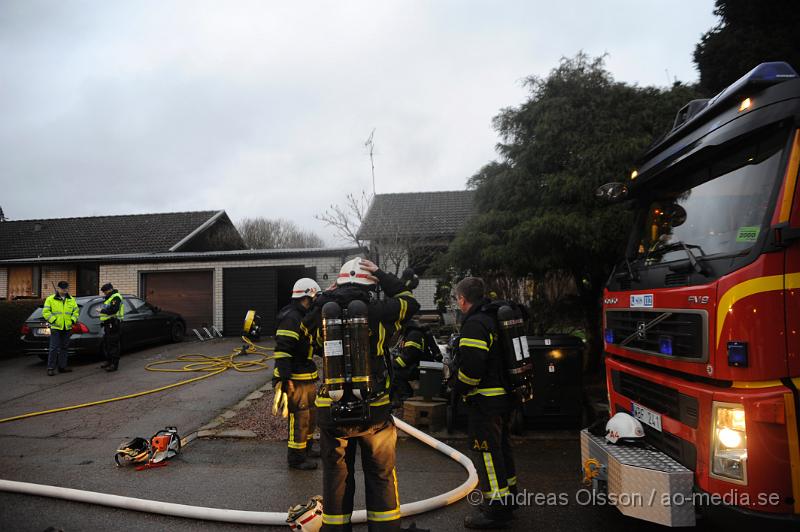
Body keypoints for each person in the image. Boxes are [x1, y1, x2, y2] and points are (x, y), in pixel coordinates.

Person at [307, 257, 419, 531]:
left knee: (336, 476)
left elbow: (303, 327)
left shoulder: (320, 312)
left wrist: (328, 294)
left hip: (331, 408)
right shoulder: (380, 310)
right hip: (374, 408)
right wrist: (382, 274)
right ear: (371, 285)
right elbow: (409, 301)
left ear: (340, 283)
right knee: (380, 474)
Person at [453, 277, 517, 529]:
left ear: (462, 299)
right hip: (503, 398)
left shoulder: (475, 324)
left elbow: (471, 370)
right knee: (502, 449)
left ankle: (496, 510)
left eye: (456, 298)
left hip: (485, 401)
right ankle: (509, 498)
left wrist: (456, 388)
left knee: (487, 455)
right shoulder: (492, 318)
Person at [272, 277, 322, 470]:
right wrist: (285, 379)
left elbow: (308, 344)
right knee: (299, 417)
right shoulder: (291, 317)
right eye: (315, 297)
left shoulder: (302, 316)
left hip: (305, 374)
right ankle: (296, 458)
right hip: (294, 377)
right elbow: (283, 350)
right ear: (307, 296)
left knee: (310, 415)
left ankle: (306, 449)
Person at [392, 321, 439, 401]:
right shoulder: (410, 334)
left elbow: (408, 358)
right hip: (420, 365)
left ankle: (406, 397)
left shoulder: (413, 335)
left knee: (394, 374)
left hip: (422, 368)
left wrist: (392, 364)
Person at [42, 281, 79, 376]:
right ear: (58, 289)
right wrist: (54, 321)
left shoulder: (71, 299)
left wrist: (72, 320)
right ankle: (50, 368)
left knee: (64, 348)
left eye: (66, 288)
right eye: (63, 288)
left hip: (67, 327)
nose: (65, 290)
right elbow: (46, 312)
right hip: (56, 327)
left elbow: (76, 312)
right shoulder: (50, 299)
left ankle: (62, 367)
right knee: (53, 348)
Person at [99, 283, 124, 372]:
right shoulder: (109, 298)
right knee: (107, 343)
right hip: (108, 324)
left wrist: (101, 310)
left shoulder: (116, 297)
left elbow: (114, 310)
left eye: (105, 291)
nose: (104, 293)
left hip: (113, 324)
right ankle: (109, 361)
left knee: (113, 344)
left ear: (109, 290)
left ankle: (114, 364)